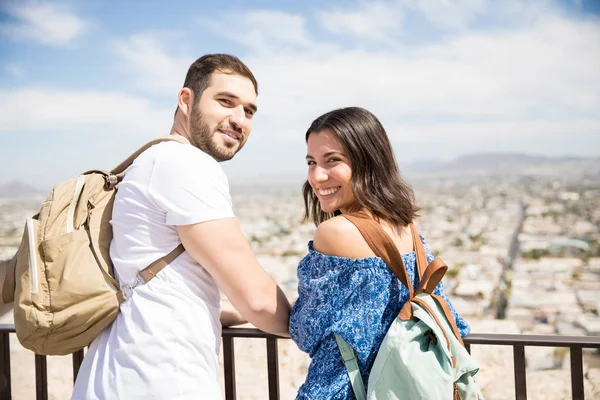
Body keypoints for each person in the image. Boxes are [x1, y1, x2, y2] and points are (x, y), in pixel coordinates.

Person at [72, 54, 291, 399]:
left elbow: (156, 283)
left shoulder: (149, 162)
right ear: (186, 100)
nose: (239, 119)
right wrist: (320, 326)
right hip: (162, 380)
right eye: (226, 102)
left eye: (248, 111)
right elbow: (258, 298)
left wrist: (219, 313)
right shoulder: (187, 165)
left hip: (111, 376)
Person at [289, 107, 470, 399]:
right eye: (311, 162)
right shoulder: (407, 225)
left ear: (367, 162)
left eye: (332, 160)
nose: (317, 176)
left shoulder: (336, 231)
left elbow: (306, 330)